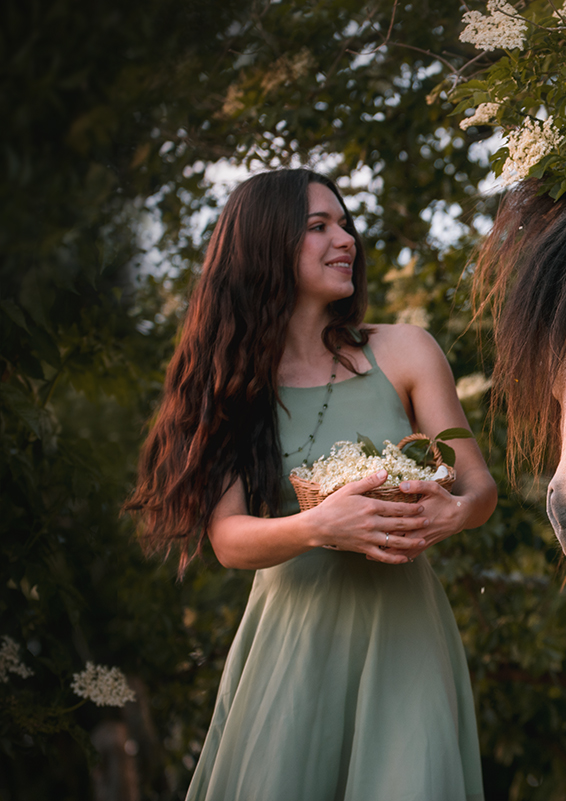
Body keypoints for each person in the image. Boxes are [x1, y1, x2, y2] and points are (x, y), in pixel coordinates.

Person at [127, 168, 496, 801]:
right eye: (318, 226)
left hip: (405, 635)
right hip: (293, 645)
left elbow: (478, 487)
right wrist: (320, 527)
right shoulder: (231, 385)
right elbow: (230, 539)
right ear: (266, 245)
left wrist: (451, 515)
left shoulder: (406, 351)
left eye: (345, 223)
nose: (345, 238)